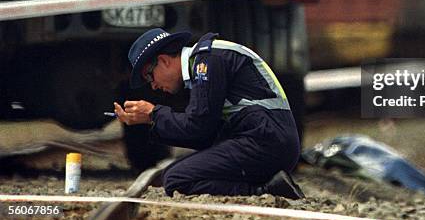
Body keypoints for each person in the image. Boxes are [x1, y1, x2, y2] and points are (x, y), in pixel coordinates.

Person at [114, 28, 304, 199]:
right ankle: (268, 185)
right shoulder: (203, 61)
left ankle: (266, 190)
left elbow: (198, 127)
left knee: (176, 179)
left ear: (163, 60)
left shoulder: (207, 60)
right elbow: (204, 136)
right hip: (268, 138)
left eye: (149, 75)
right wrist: (151, 120)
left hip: (266, 140)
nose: (153, 85)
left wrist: (154, 115)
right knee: (173, 173)